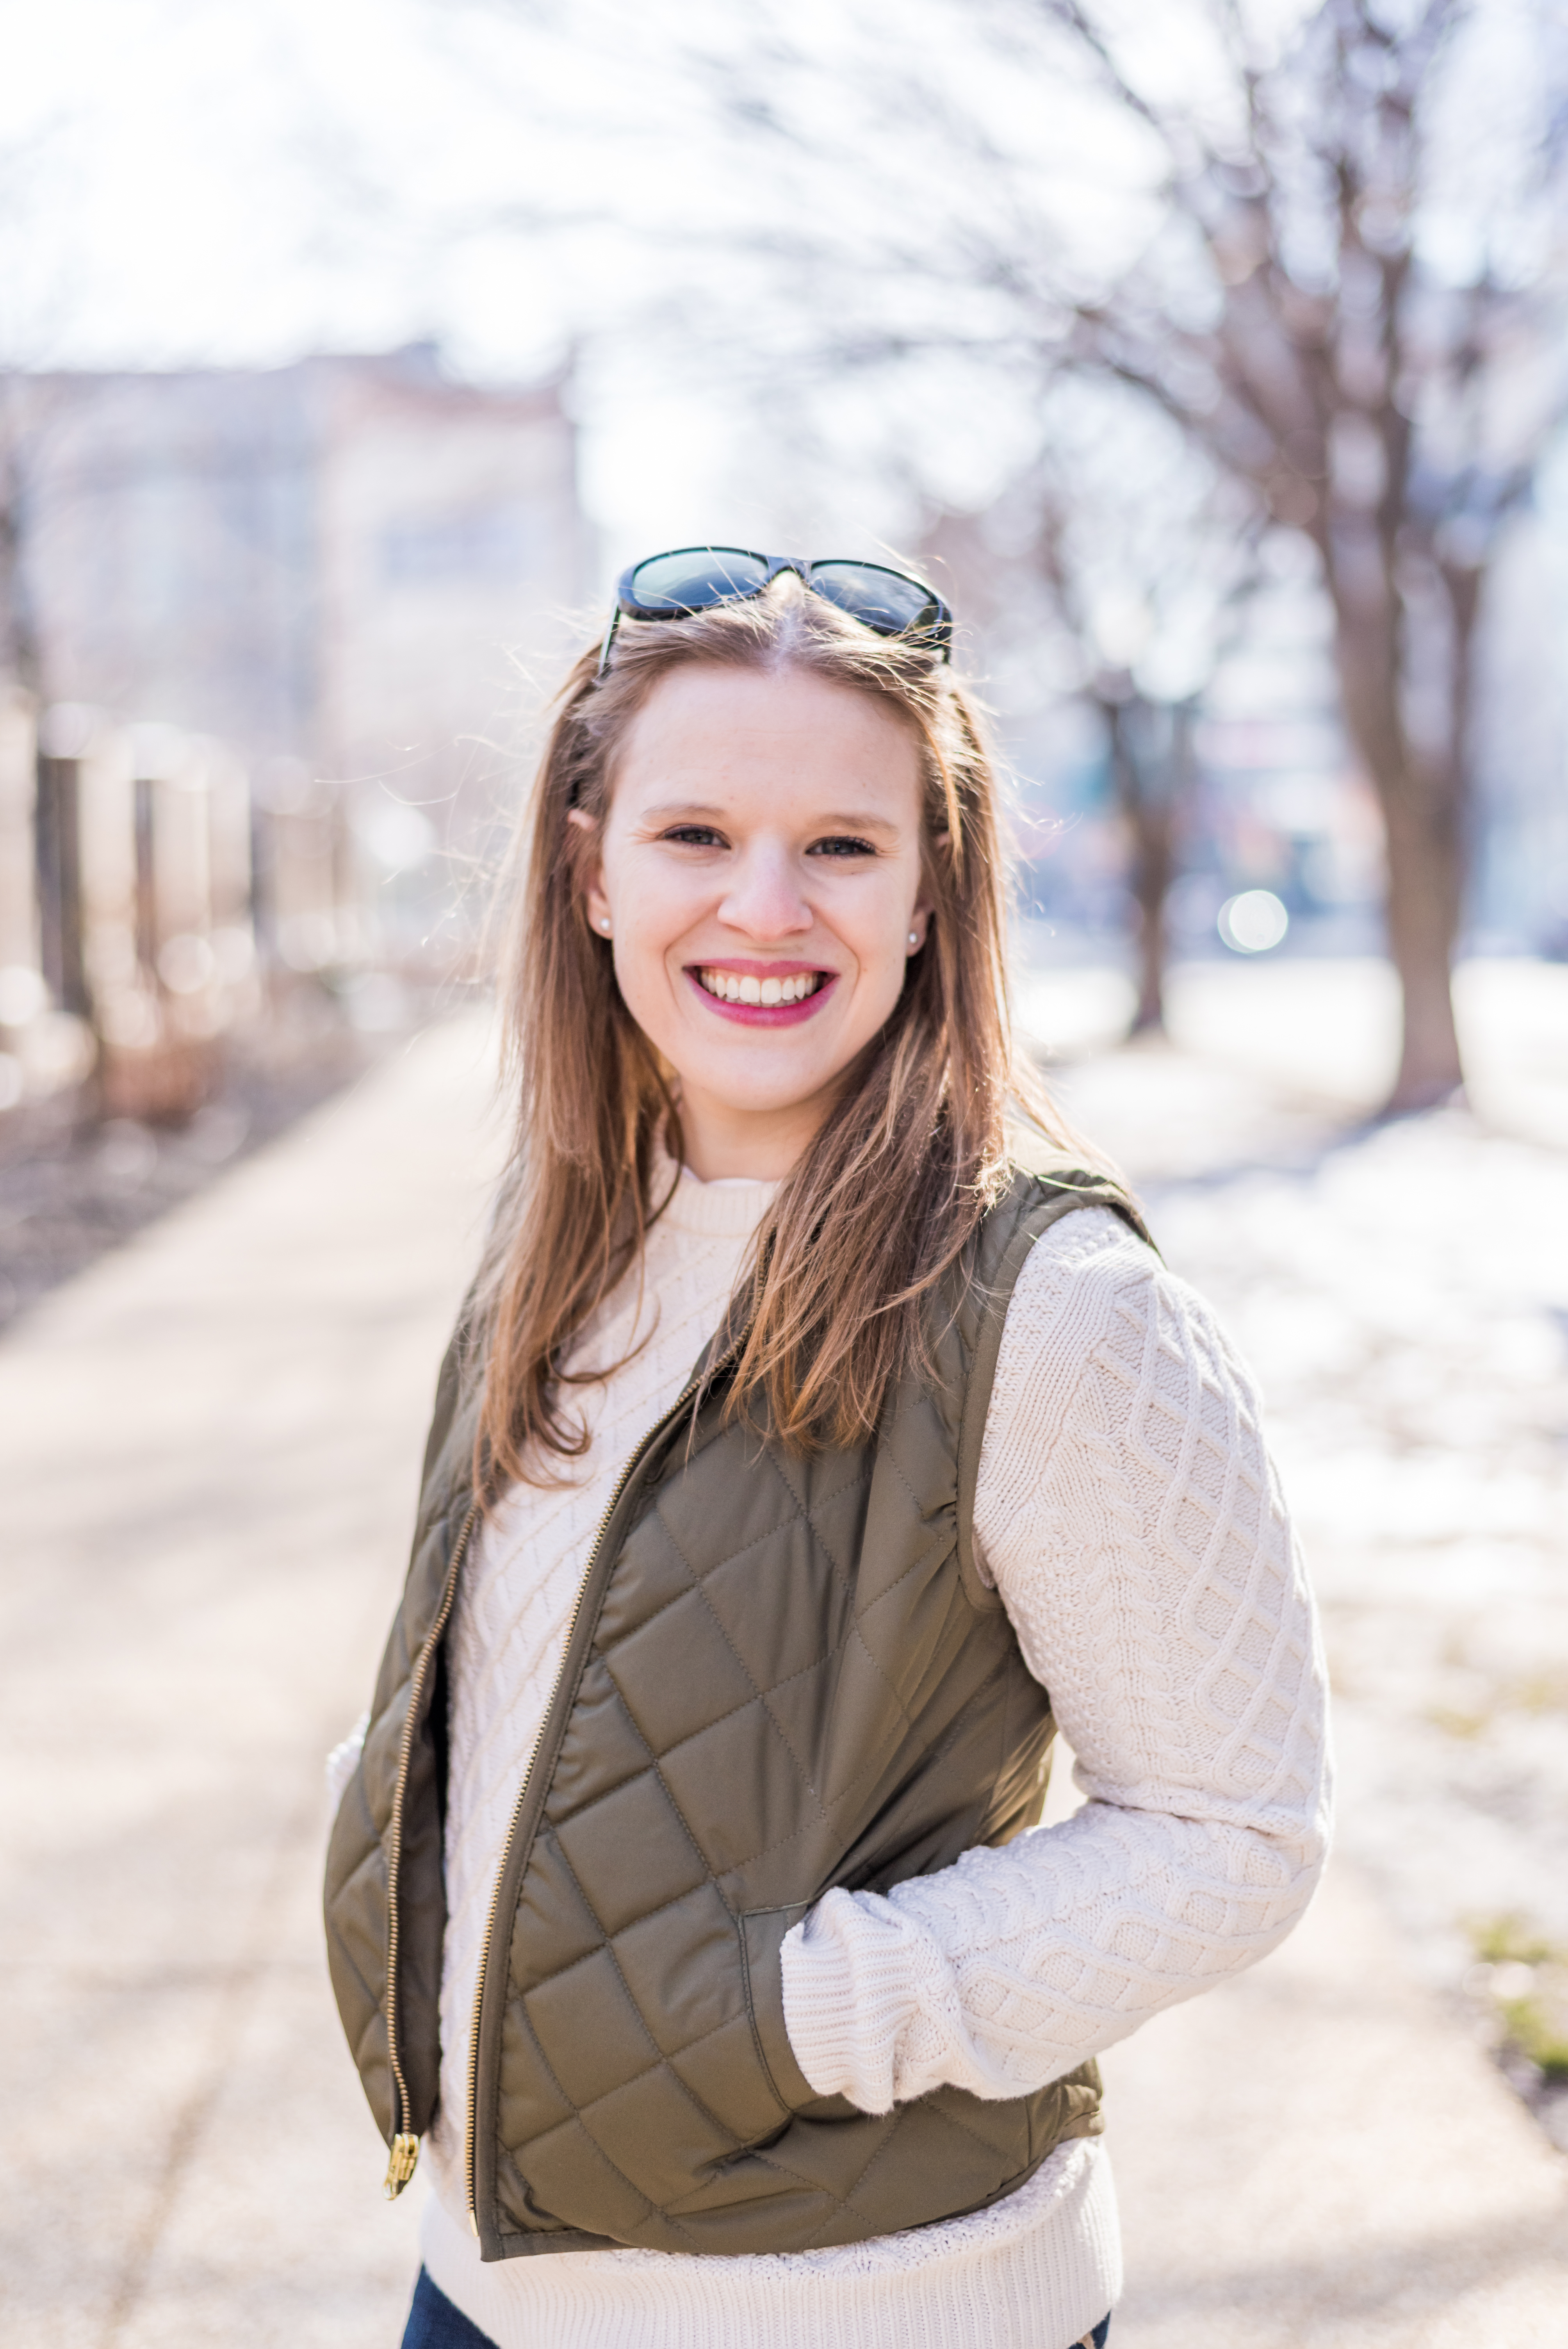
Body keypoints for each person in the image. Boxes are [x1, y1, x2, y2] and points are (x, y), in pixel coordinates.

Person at [324, 549, 1331, 2349]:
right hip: (485, 2283)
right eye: (695, 835)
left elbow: (1232, 1829)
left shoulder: (1054, 1305)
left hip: (868, 2307)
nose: (764, 908)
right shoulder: (562, 1230)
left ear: (934, 891)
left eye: (842, 847)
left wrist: (804, 2010)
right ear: (590, 870)